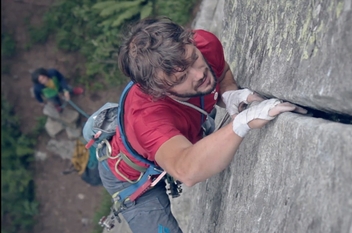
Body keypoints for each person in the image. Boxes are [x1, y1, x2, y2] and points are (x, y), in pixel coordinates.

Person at [97, 16, 307, 232]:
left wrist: (228, 93)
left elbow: (222, 71)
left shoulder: (204, 43)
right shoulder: (146, 117)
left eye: (193, 58)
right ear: (158, 91)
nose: (199, 74)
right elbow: (185, 169)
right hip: (132, 178)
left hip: (179, 138)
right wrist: (242, 123)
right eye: (180, 79)